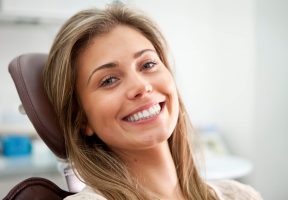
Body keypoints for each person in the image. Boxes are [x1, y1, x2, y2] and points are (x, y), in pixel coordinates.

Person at [43, 3, 262, 200]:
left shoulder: (240, 196)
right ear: (81, 119)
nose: (141, 87)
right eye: (109, 80)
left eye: (147, 65)